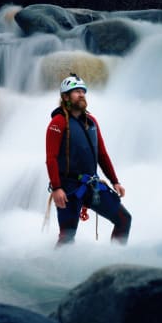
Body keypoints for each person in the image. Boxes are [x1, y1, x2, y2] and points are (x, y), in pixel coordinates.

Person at [45, 73, 132, 246]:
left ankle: (115, 263)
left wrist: (115, 181)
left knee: (124, 219)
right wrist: (57, 188)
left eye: (83, 91)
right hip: (68, 188)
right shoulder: (58, 123)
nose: (82, 94)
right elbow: (51, 158)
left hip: (92, 186)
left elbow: (102, 155)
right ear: (65, 97)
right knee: (67, 236)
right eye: (76, 91)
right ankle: (57, 269)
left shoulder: (91, 121)